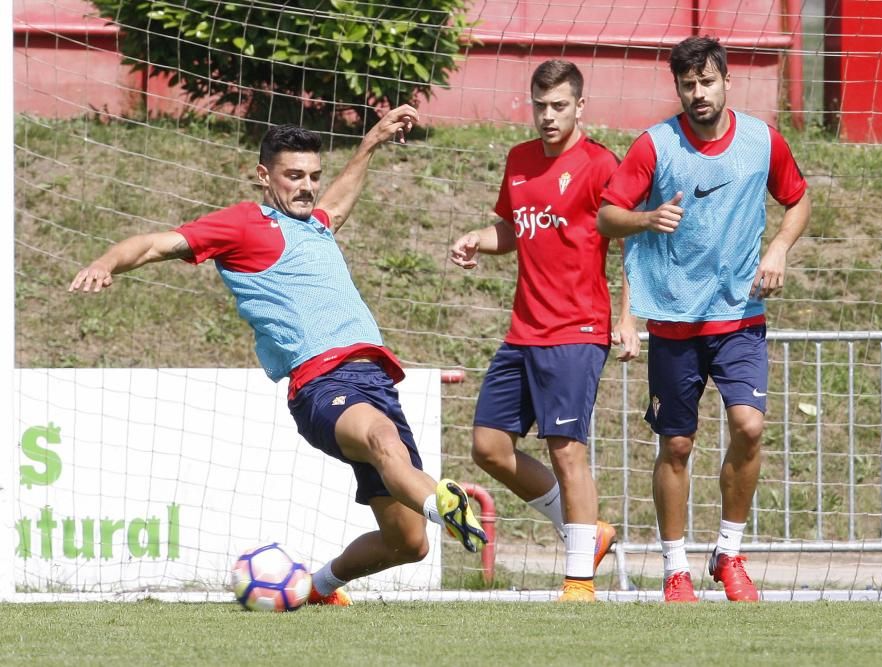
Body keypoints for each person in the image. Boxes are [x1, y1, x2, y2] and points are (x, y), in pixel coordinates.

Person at [68, 106, 487, 606]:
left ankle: (319, 588)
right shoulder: (244, 224)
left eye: (313, 176)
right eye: (294, 176)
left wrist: (370, 143)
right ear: (264, 177)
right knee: (380, 438)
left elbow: (338, 201)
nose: (307, 186)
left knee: (408, 544)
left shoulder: (316, 227)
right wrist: (106, 260)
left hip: (376, 384)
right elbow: (156, 244)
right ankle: (446, 507)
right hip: (322, 385)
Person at [597, 36, 810, 603]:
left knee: (750, 426)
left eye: (707, 82)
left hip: (740, 315)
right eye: (688, 85)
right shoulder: (653, 146)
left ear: (727, 81)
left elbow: (798, 199)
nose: (698, 93)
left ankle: (729, 552)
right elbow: (606, 218)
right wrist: (645, 219)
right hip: (672, 320)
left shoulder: (763, 141)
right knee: (677, 447)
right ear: (678, 89)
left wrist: (780, 249)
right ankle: (674, 567)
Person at [449, 60, 639, 602]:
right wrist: (476, 239)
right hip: (524, 330)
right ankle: (588, 532)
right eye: (540, 105)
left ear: (581, 106)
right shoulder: (519, 161)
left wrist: (628, 318)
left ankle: (579, 580)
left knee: (566, 450)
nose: (548, 116)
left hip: (577, 329)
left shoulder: (601, 164)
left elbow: (632, 244)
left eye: (559, 106)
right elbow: (513, 228)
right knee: (488, 446)